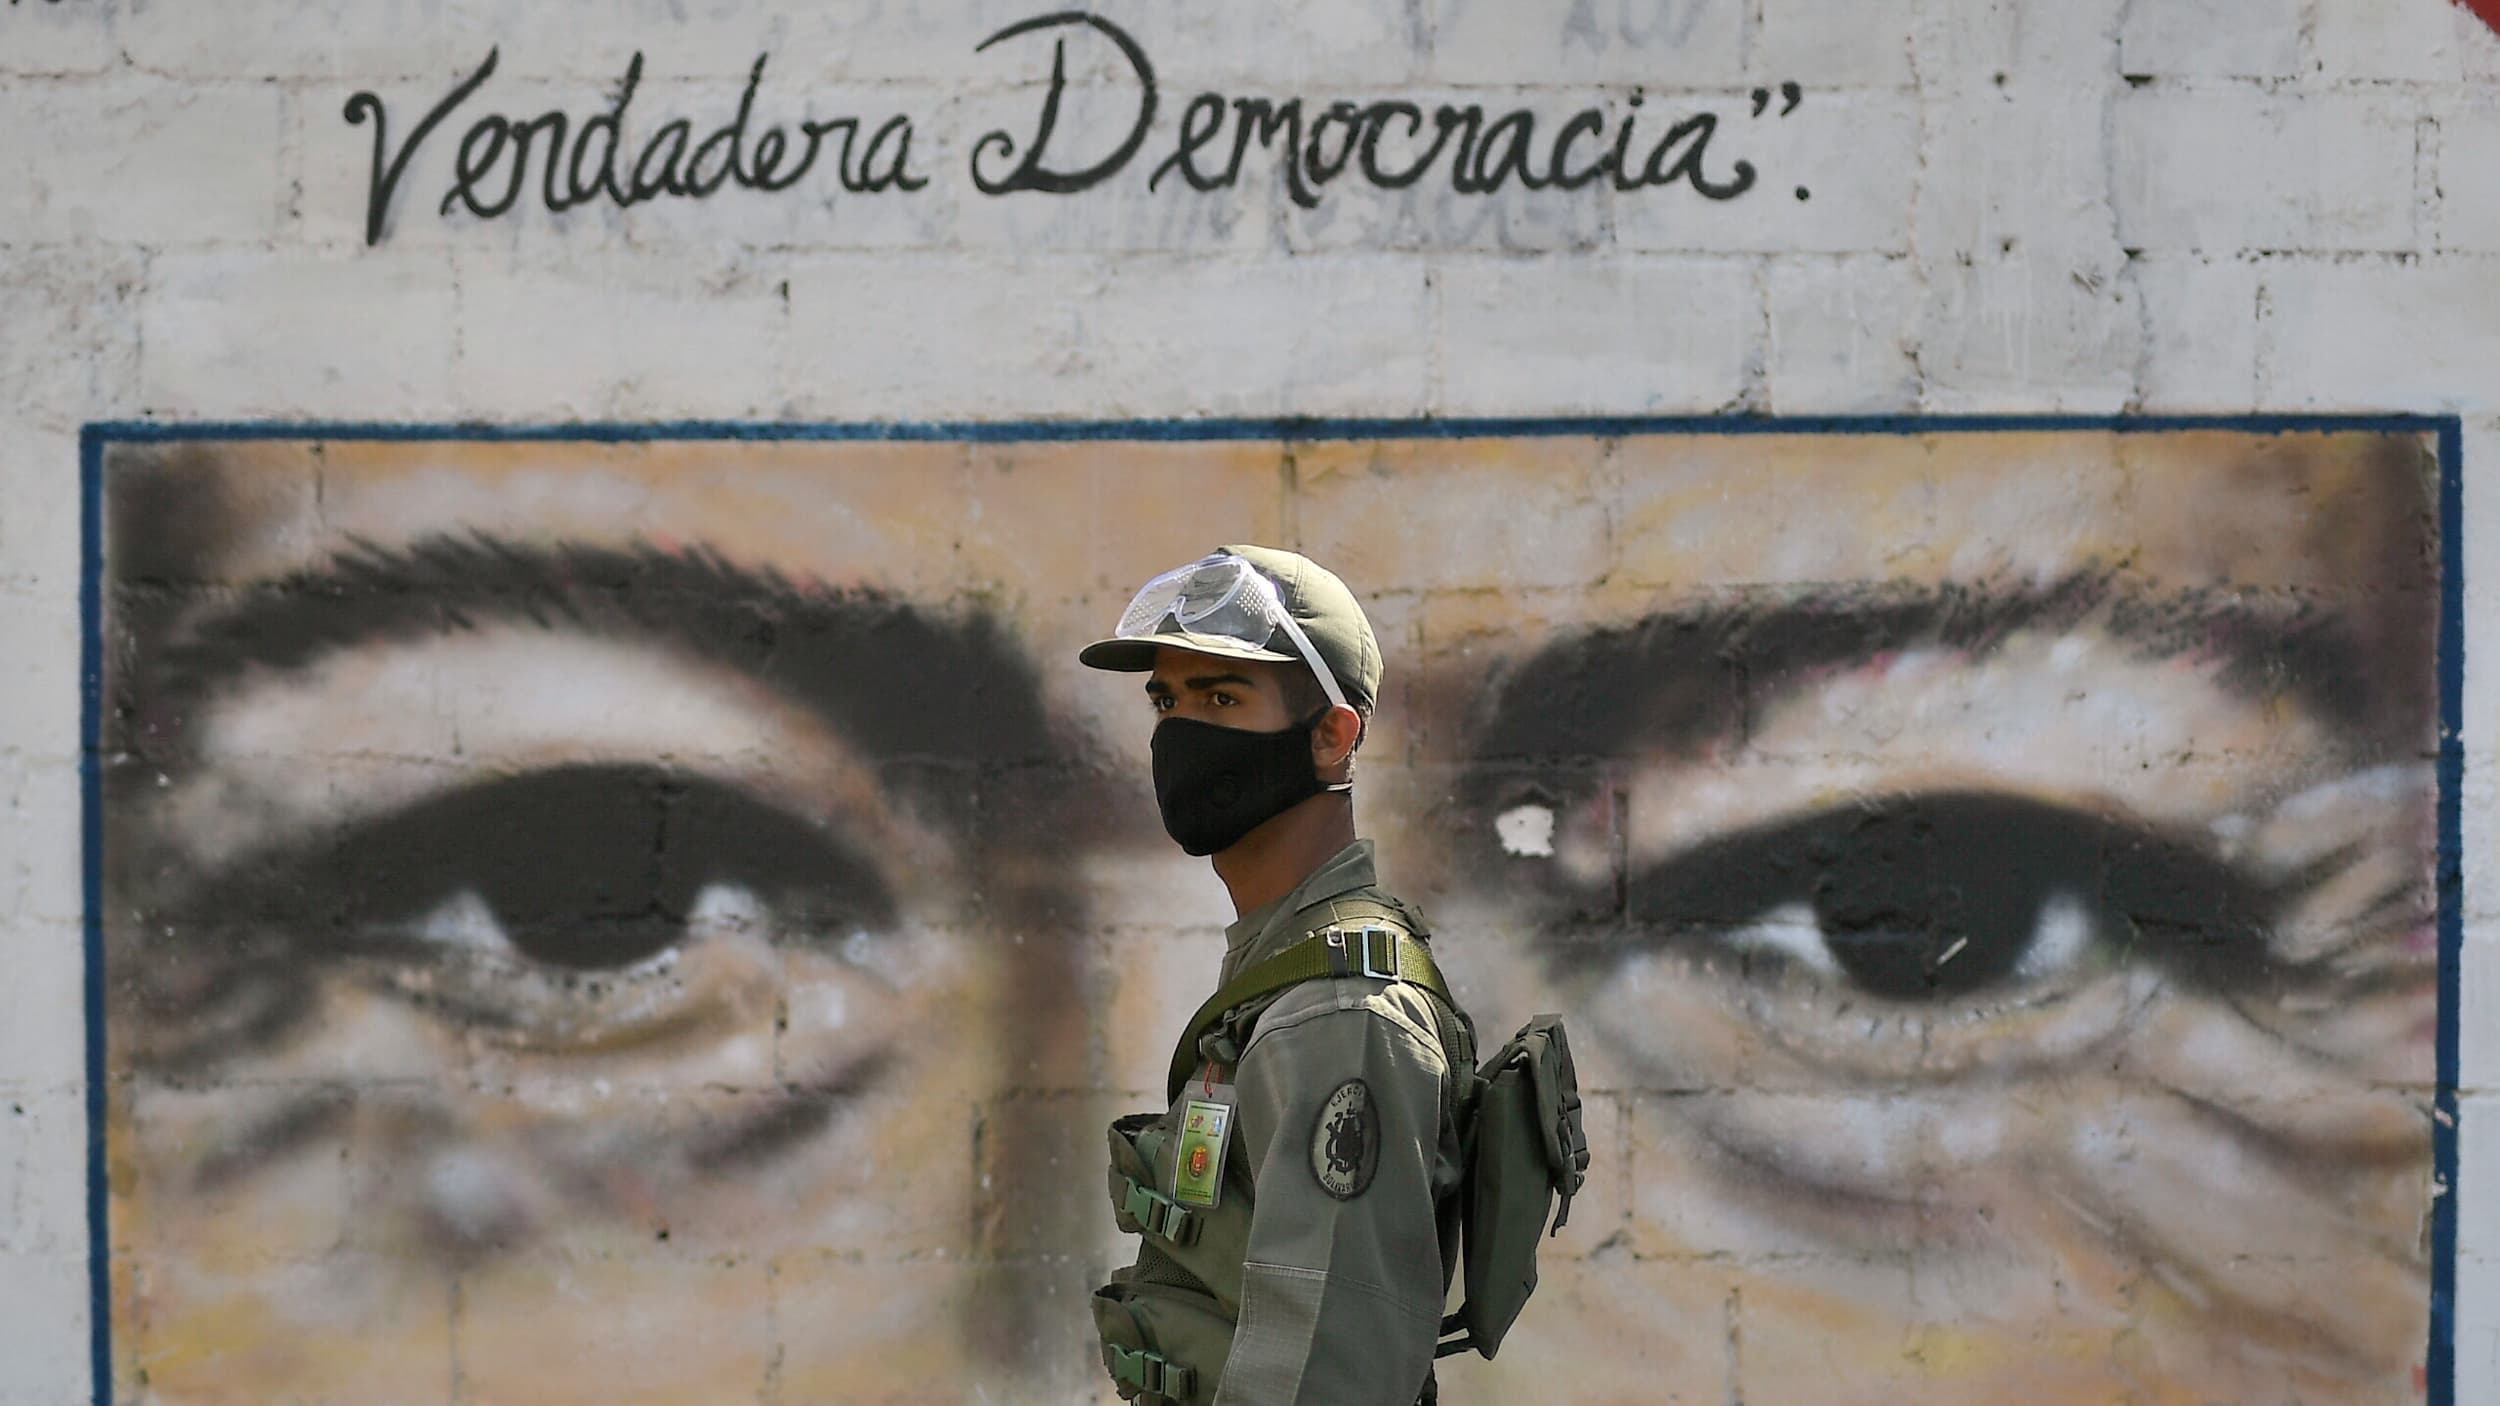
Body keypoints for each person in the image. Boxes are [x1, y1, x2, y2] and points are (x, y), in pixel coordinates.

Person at [1078, 546, 1474, 1406]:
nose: (1180, 732)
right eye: (1166, 700)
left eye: (1222, 697)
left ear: (1332, 735)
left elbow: (1332, 1369)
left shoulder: (1338, 1009)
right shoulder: (1280, 969)